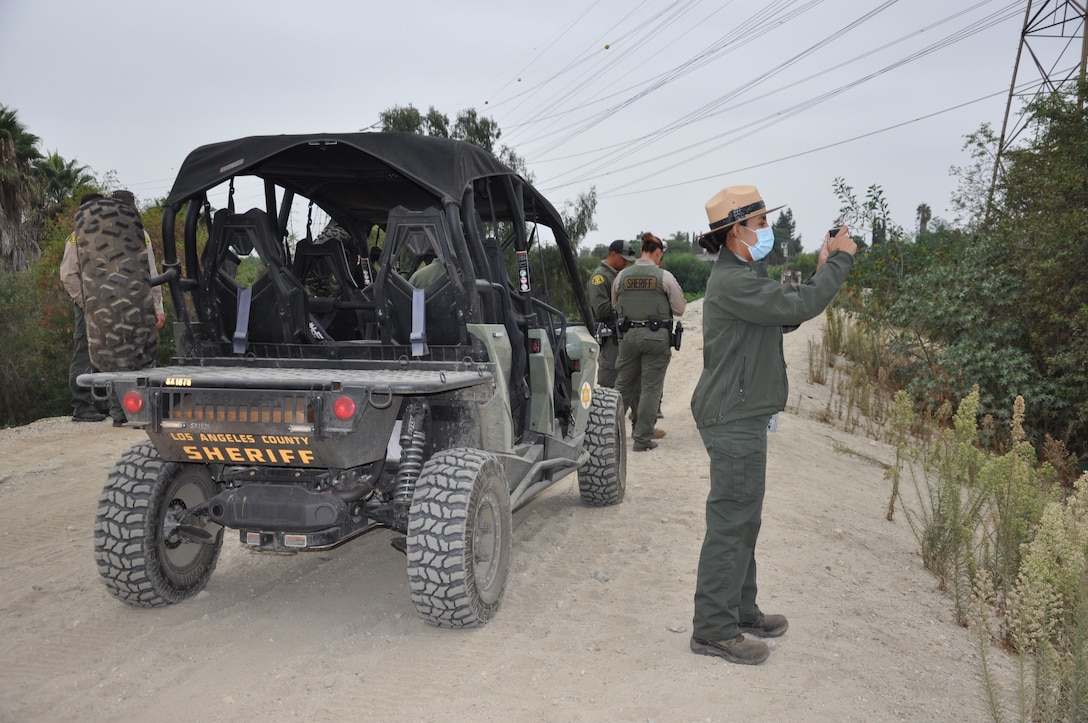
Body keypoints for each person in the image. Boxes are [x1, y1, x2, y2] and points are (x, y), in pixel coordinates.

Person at [688, 184, 857, 666]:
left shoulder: (744, 274)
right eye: (761, 223)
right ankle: (713, 629)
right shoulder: (734, 280)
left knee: (745, 518)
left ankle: (740, 609)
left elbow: (784, 315)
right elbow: (797, 307)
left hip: (740, 413)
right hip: (732, 416)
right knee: (732, 521)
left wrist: (822, 269)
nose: (768, 230)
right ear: (736, 231)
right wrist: (841, 263)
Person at [61, 191, 166, 425]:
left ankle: (110, 406)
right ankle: (83, 405)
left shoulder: (136, 234)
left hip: (123, 302)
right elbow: (68, 275)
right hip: (99, 302)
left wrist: (157, 307)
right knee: (88, 351)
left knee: (117, 353)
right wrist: (87, 303)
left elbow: (150, 273)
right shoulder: (79, 236)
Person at [611, 233, 685, 452]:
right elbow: (680, 309)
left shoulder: (622, 276)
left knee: (622, 385)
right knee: (651, 388)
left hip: (628, 337)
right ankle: (642, 439)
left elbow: (615, 305)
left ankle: (608, 435)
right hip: (656, 338)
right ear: (658, 252)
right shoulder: (664, 277)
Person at [585, 239, 635, 387]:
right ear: (613, 254)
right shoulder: (600, 277)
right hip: (611, 334)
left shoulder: (620, 275)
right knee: (610, 376)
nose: (626, 263)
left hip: (624, 333)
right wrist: (627, 306)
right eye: (624, 259)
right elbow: (601, 309)